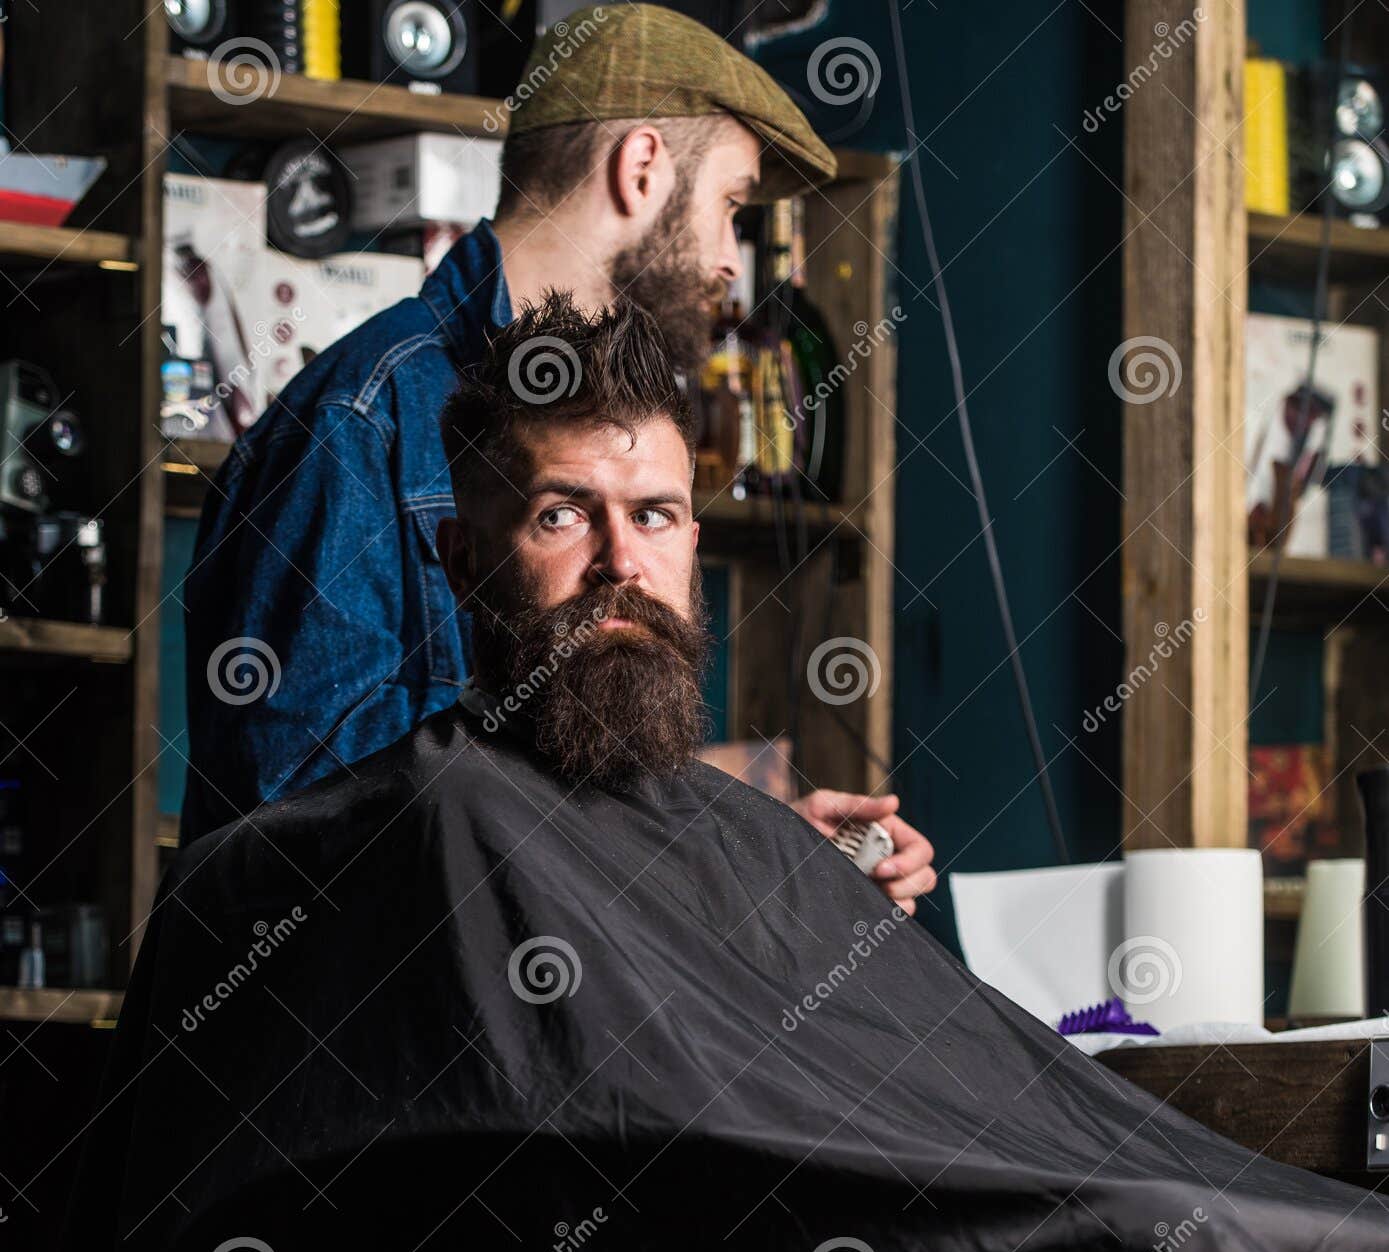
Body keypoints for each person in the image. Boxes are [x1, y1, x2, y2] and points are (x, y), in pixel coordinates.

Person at [69, 296, 1389, 1252]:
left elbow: (847, 1081)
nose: (617, 561)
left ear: (694, 540)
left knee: (1315, 1239)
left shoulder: (743, 837)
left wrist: (776, 912)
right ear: (461, 557)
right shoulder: (429, 824)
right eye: (557, 514)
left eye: (652, 515)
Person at [179, 3, 935, 915]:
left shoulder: (594, 431)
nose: (733, 261)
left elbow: (538, 792)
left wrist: (751, 850)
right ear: (642, 167)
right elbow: (311, 834)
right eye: (731, 206)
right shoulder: (362, 422)